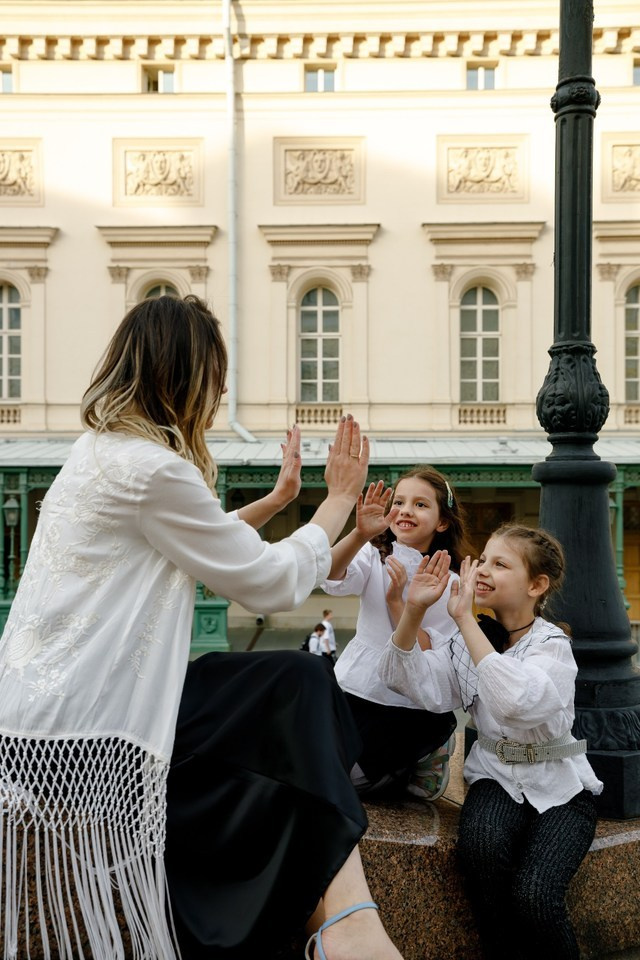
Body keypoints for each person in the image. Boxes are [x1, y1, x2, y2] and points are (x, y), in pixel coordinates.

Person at [0, 295, 403, 960]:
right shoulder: (153, 470)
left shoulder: (100, 451)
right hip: (89, 735)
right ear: (180, 377)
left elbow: (193, 543)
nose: (217, 397)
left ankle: (335, 913)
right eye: (214, 380)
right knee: (298, 683)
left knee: (288, 687)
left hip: (41, 717)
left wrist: (277, 501)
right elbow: (267, 582)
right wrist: (335, 502)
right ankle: (345, 920)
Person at [379, 524, 603, 960]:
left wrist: (464, 619)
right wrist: (412, 610)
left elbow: (517, 703)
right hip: (494, 777)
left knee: (536, 896)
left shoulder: (551, 645)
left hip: (563, 787)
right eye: (482, 559)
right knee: (479, 851)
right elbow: (413, 682)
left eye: (500, 564)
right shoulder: (468, 640)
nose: (482, 569)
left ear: (537, 585)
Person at [322, 468, 473, 801]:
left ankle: (428, 752)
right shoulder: (373, 555)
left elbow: (429, 652)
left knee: (360, 783)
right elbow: (330, 573)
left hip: (408, 700)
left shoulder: (450, 581)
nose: (406, 510)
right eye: (400, 502)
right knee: (328, 773)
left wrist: (398, 603)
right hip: (358, 686)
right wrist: (360, 534)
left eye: (421, 504)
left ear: (442, 522)